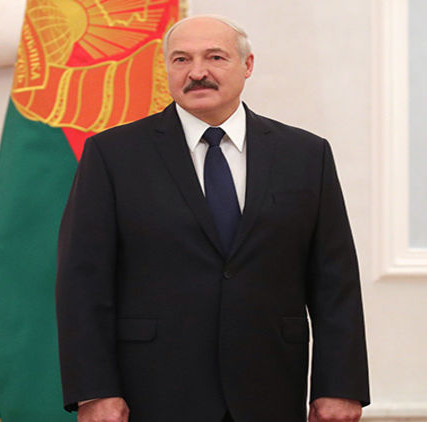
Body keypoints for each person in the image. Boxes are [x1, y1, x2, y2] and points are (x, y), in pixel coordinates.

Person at [55, 15, 370, 422]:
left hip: (270, 388)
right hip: (153, 392)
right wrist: (94, 390)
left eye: (215, 57)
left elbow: (335, 281)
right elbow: (83, 281)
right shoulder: (112, 155)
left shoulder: (306, 155)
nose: (196, 72)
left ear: (247, 65)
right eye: (181, 60)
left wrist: (340, 385)